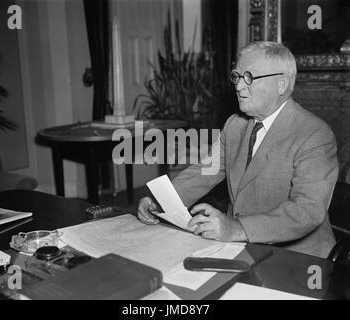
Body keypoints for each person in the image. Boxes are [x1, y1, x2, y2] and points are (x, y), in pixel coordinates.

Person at [137, 41, 338, 258]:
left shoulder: (314, 135)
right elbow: (205, 171)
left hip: (297, 259)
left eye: (249, 77)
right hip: (241, 248)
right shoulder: (235, 124)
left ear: (281, 84)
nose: (239, 86)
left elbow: (306, 210)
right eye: (237, 76)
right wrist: (162, 201)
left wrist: (236, 228)